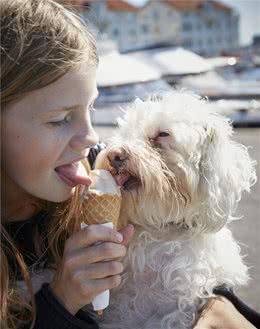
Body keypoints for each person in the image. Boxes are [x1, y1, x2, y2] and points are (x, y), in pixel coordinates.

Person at [0, 1, 259, 329]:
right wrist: (60, 302)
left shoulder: (99, 167)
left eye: (89, 109)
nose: (91, 137)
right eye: (60, 119)